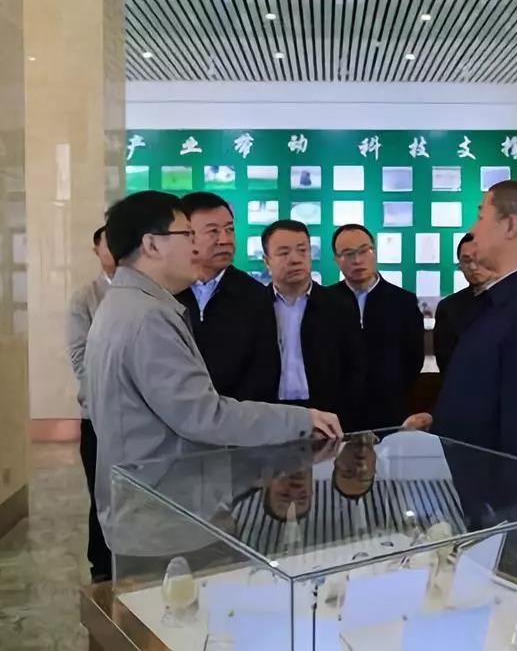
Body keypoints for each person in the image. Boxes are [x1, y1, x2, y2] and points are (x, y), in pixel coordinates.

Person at [84, 192, 342, 555]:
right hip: (168, 515)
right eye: (187, 235)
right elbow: (203, 415)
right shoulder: (148, 317)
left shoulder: (125, 304)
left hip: (156, 504)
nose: (196, 247)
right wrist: (302, 419)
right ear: (152, 245)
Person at [425, 181, 517, 466]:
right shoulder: (499, 301)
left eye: (481, 217)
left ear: (510, 226)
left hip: (491, 492)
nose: (473, 229)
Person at [174, 192, 280, 402]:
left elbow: (264, 372)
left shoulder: (254, 295)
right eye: (212, 231)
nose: (225, 240)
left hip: (236, 415)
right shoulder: (166, 291)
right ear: (186, 235)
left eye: (230, 229)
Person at [261, 220, 366, 430]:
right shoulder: (254, 305)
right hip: (269, 414)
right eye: (284, 253)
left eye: (302, 250)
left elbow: (355, 368)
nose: (295, 259)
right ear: (267, 261)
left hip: (326, 415)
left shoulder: (339, 305)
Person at [330, 224, 424, 430]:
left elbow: (413, 358)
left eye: (364, 250)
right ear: (336, 259)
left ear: (374, 251)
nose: (357, 260)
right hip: (337, 414)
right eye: (348, 253)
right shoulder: (326, 301)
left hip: (390, 410)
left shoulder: (403, 301)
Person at [65, 225, 115, 583]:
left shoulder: (154, 292)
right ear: (96, 250)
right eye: (108, 244)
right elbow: (79, 356)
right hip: (98, 414)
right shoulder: (86, 297)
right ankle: (102, 566)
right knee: (102, 493)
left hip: (141, 416)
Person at [433, 233, 497, 373]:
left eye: (479, 259)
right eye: (466, 261)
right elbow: (447, 364)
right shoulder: (449, 308)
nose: (473, 267)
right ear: (460, 265)